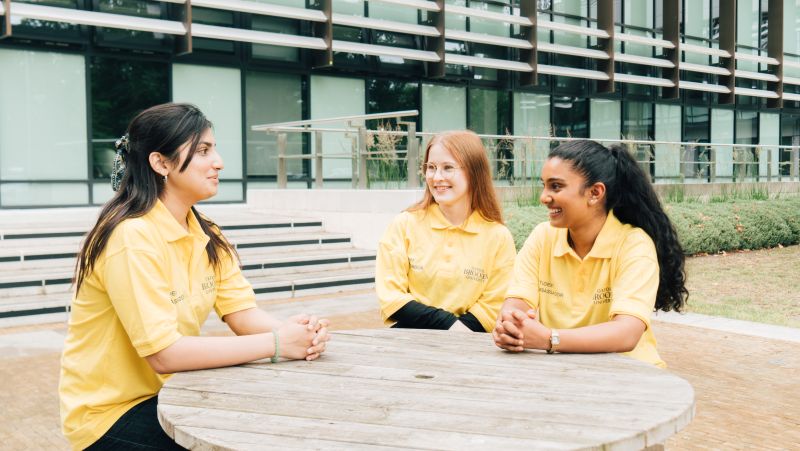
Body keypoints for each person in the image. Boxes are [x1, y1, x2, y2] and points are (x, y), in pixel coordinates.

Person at [59, 103, 331, 450]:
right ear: (161, 163)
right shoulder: (130, 238)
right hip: (109, 413)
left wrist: (299, 335)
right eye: (203, 150)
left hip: (171, 391)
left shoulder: (207, 232)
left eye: (214, 148)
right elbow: (164, 354)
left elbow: (241, 314)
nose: (218, 162)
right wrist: (278, 344)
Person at [493, 140, 688, 367]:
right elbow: (515, 306)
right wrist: (510, 328)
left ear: (595, 193)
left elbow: (627, 333)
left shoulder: (634, 245)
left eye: (555, 186)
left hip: (630, 375)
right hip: (561, 371)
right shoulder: (542, 236)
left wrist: (549, 338)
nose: (544, 197)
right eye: (544, 185)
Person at [376, 130, 516, 332]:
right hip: (408, 341)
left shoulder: (498, 236)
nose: (436, 177)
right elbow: (391, 297)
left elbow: (494, 304)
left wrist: (458, 334)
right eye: (431, 167)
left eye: (448, 168)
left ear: (474, 172)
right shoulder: (404, 224)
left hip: (471, 344)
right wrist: (448, 325)